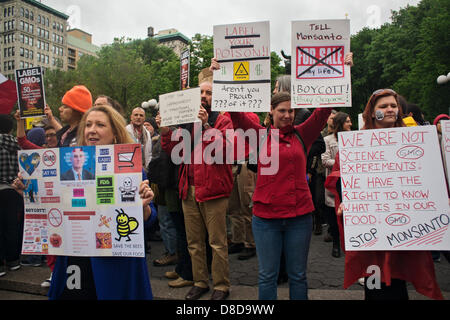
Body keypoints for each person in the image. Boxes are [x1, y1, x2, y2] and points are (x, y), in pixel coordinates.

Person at [325, 89, 444, 300]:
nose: (390, 109)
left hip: (405, 226)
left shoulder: (416, 140)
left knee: (398, 281)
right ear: (372, 113)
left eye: (393, 105)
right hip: (372, 228)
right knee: (375, 284)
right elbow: (343, 175)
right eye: (383, 106)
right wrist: (347, 202)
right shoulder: (357, 144)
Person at [44, 104, 155, 300]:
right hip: (76, 257)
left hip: (115, 264)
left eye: (100, 125)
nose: (92, 130)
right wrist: (30, 194)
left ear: (114, 133)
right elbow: (54, 209)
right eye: (88, 125)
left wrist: (144, 207)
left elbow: (149, 219)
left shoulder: (130, 167)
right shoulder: (68, 165)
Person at [229, 91, 332, 300]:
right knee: (267, 276)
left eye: (291, 111)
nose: (287, 115)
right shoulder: (259, 135)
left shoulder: (303, 133)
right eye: (282, 110)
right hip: (266, 219)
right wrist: (221, 76)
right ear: (271, 111)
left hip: (299, 217)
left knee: (298, 275)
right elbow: (236, 115)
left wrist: (340, 71)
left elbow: (323, 112)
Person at [158, 68, 234, 300]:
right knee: (194, 242)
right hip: (188, 189)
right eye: (201, 92)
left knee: (217, 243)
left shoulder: (223, 120)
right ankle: (200, 281)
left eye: (209, 93)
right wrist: (165, 132)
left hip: (213, 191)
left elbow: (226, 151)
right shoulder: (188, 121)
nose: (204, 97)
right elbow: (173, 151)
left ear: (216, 97)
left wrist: (208, 127)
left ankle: (221, 286)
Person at [321, 112, 352, 258]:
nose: (350, 124)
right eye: (347, 121)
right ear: (340, 123)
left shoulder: (354, 138)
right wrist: (342, 162)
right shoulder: (327, 140)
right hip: (335, 183)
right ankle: (336, 244)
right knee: (334, 215)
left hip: (351, 183)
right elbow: (324, 160)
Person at [0, 114, 23, 277]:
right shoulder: (18, 145)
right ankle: (14, 260)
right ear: (10, 128)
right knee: (12, 225)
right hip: (14, 189)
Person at [126, 107, 152, 174]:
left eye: (141, 115)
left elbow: (149, 153)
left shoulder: (147, 133)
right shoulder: (125, 131)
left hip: (144, 169)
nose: (138, 117)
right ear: (131, 117)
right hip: (128, 168)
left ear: (144, 118)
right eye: (136, 115)